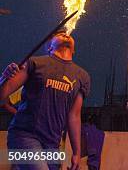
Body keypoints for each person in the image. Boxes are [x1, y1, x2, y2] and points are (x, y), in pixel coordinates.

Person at [0, 27, 90, 170]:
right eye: (59, 34)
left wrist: (76, 152)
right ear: (49, 47)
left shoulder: (82, 77)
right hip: (24, 136)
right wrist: (4, 77)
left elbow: (74, 116)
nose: (64, 34)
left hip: (53, 145)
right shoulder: (34, 64)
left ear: (74, 50)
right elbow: (2, 96)